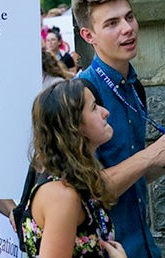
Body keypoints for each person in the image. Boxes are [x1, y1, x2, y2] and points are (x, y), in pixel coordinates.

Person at [75, 0, 165, 257]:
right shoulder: (80, 95)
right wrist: (151, 155)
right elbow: (90, 191)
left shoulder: (133, 84)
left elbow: (136, 175)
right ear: (89, 35)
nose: (128, 28)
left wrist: (158, 160)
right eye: (112, 23)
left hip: (145, 247)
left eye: (129, 17)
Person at [21, 79, 127, 257]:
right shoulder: (62, 195)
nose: (105, 112)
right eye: (94, 108)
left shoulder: (74, 181)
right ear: (74, 127)